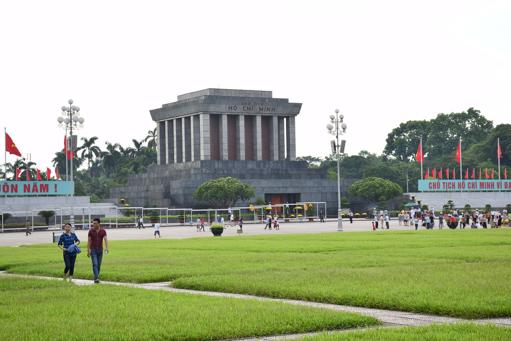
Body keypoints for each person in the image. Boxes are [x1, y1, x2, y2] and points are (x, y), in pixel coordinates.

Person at [87, 218, 108, 284]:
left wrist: (106, 248)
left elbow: (105, 239)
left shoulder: (103, 231)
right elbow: (89, 241)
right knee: (95, 264)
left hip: (100, 250)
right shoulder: (91, 231)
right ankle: (96, 278)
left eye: (95, 223)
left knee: (98, 265)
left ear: (99, 224)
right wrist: (88, 250)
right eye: (93, 223)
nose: (93, 224)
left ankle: (96, 277)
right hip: (93, 249)